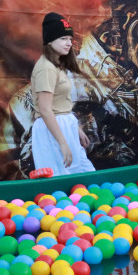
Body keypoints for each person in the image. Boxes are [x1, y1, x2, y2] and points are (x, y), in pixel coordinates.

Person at [31, 12, 96, 176]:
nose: (68, 43)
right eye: (63, 39)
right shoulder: (46, 68)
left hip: (64, 126)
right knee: (61, 182)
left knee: (84, 175)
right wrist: (63, 143)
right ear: (50, 41)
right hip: (52, 130)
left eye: (70, 39)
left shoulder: (57, 65)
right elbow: (45, 110)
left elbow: (61, 104)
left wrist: (76, 129)